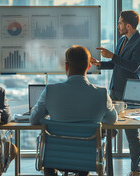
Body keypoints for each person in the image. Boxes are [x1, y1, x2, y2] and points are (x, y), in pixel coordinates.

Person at [31, 45, 117, 176]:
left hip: (55, 157)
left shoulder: (50, 91)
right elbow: (112, 119)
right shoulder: (101, 94)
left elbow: (34, 120)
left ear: (66, 66)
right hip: (86, 159)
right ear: (88, 66)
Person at [90, 10, 140, 176]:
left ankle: (135, 170)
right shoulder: (122, 39)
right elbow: (117, 64)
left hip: (129, 92)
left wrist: (112, 56)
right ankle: (105, 168)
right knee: (108, 129)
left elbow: (132, 66)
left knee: (131, 134)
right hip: (115, 90)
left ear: (128, 25)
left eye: (120, 23)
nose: (118, 26)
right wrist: (100, 63)